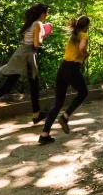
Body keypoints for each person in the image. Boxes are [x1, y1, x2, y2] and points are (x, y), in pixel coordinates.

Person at [0, 3, 50, 130]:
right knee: (22, 86)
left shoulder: (30, 23)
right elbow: (36, 43)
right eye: (46, 13)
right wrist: (44, 33)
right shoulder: (38, 24)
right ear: (41, 13)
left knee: (21, 85)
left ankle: (36, 114)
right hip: (26, 56)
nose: (47, 15)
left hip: (21, 54)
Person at [39, 16, 91, 145]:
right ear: (87, 26)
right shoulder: (84, 35)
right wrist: (86, 54)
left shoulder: (73, 36)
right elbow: (81, 48)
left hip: (62, 68)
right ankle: (65, 116)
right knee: (83, 92)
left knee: (58, 103)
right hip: (72, 68)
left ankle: (44, 134)